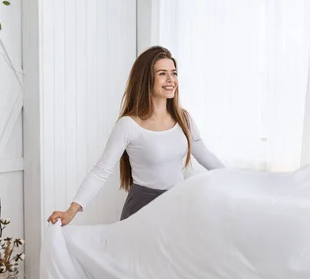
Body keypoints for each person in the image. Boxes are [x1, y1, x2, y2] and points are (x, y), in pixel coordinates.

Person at [47, 46, 225, 225]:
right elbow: (101, 170)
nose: (171, 79)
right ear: (146, 79)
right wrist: (71, 210)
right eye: (162, 73)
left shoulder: (183, 119)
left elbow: (206, 156)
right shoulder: (128, 125)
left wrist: (239, 180)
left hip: (176, 206)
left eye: (174, 73)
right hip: (142, 210)